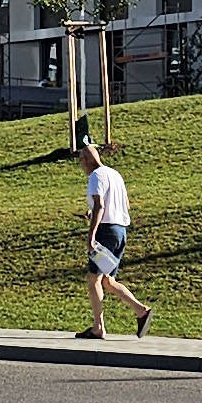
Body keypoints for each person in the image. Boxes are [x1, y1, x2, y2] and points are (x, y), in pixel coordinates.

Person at [78, 142, 150, 338]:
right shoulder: (115, 174)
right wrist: (92, 212)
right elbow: (124, 204)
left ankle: (98, 327)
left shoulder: (96, 176)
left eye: (81, 161)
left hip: (105, 233)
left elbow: (100, 205)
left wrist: (91, 235)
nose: (81, 166)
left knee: (93, 279)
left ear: (86, 160)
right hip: (120, 231)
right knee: (108, 281)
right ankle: (141, 311)